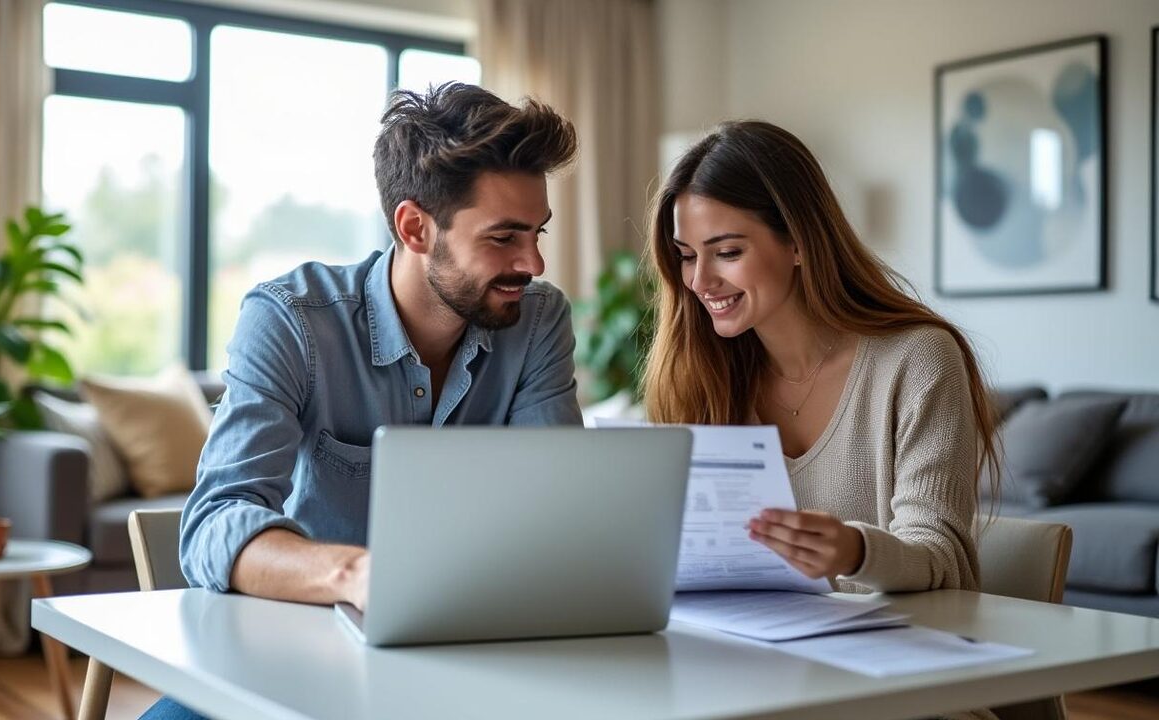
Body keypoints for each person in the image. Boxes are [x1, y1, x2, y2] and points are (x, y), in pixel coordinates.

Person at [142, 83, 580, 719]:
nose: (533, 262)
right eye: (504, 237)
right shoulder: (291, 321)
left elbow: (559, 506)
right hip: (292, 655)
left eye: (537, 233)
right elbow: (215, 523)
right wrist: (358, 576)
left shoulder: (539, 321)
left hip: (478, 660)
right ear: (414, 227)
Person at [641, 120, 1000, 595]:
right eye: (686, 255)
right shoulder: (700, 374)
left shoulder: (918, 360)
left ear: (798, 242)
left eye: (726, 251)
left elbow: (943, 558)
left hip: (894, 658)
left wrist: (855, 551)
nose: (700, 281)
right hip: (749, 654)